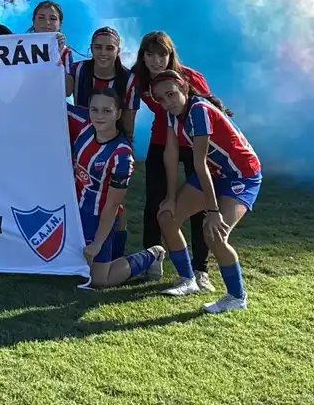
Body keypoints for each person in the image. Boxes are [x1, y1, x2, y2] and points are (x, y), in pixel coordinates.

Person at [152, 69, 261, 313]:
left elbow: (199, 163)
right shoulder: (172, 114)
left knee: (214, 235)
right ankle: (188, 280)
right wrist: (170, 198)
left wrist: (213, 211)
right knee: (166, 217)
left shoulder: (199, 110)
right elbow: (170, 156)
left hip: (241, 176)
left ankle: (236, 297)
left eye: (170, 94)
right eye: (160, 98)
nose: (166, 102)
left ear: (183, 88)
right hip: (216, 173)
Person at [126, 31, 217, 285]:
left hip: (191, 142)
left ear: (170, 55)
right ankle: (152, 260)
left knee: (197, 205)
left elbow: (209, 111)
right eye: (150, 54)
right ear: (142, 55)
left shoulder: (188, 76)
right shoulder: (137, 79)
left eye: (162, 54)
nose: (156, 60)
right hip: (161, 140)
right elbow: (128, 108)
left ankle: (201, 269)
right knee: (155, 201)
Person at [69, 89, 166, 287]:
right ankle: (113, 252)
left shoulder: (121, 156)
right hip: (74, 210)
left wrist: (97, 244)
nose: (99, 115)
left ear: (118, 114)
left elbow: (113, 204)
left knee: (98, 280)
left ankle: (152, 255)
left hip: (98, 217)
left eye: (107, 111)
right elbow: (51, 105)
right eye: (94, 109)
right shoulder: (83, 125)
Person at [66, 26, 127, 113]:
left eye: (109, 48)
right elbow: (64, 93)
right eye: (98, 47)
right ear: (91, 49)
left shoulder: (129, 79)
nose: (103, 53)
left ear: (118, 51)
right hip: (81, 126)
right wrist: (59, 53)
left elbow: (128, 122)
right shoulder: (77, 69)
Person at [30, 0, 72, 70]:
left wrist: (56, 55)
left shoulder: (65, 52)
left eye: (52, 19)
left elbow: (67, 80)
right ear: (33, 22)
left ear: (60, 25)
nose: (47, 22)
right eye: (41, 18)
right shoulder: (18, 47)